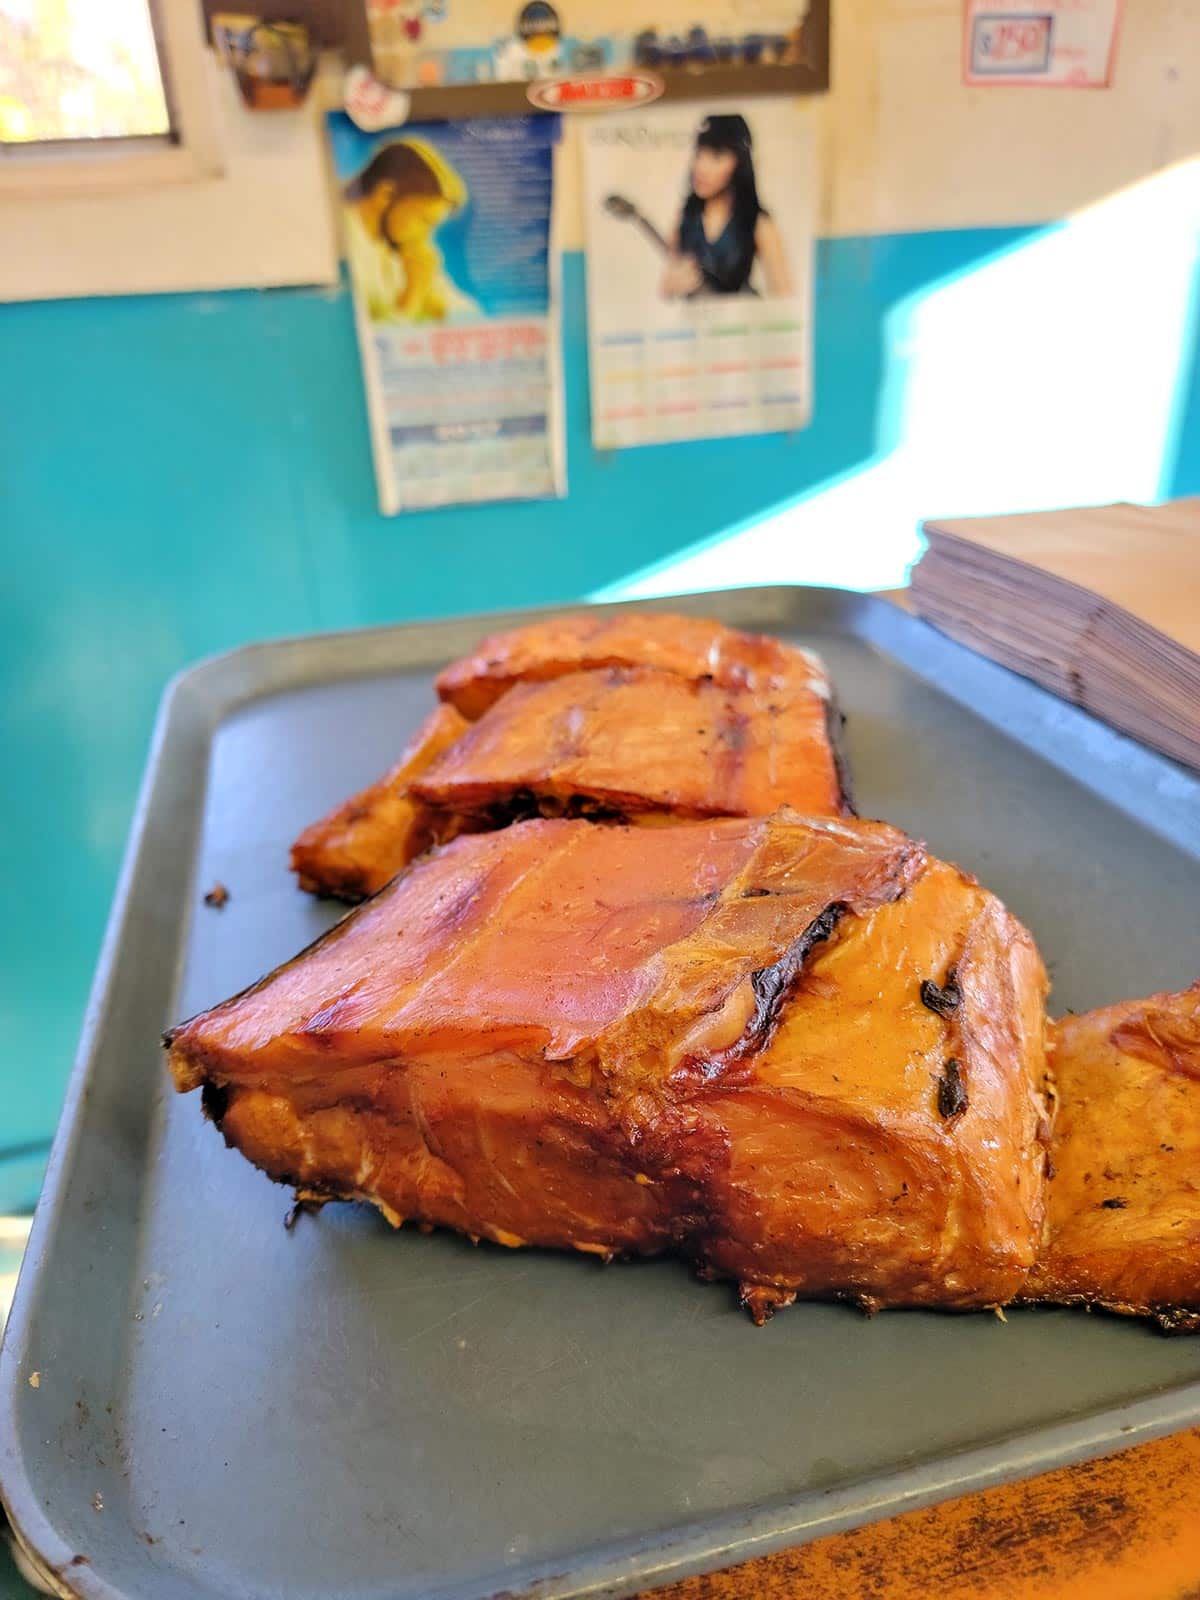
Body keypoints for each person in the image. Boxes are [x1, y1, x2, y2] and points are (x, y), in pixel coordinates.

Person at [661, 113, 793, 299]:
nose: (701, 167)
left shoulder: (757, 221)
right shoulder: (686, 216)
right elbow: (666, 287)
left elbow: (784, 295)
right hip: (696, 323)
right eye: (699, 154)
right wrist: (671, 286)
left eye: (716, 156)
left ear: (740, 162)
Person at [342, 138, 472, 323]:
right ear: (385, 194)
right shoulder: (341, 248)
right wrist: (414, 294)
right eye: (423, 220)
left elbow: (464, 311)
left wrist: (435, 300)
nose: (426, 234)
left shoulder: (400, 241)